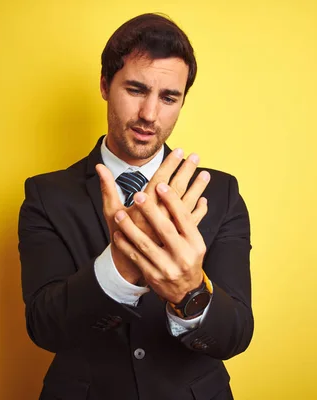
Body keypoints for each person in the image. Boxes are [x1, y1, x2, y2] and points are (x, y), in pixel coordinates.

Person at [18, 13, 253, 400]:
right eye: (136, 89)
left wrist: (189, 292)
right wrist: (121, 264)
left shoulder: (220, 193)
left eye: (168, 97)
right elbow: (45, 328)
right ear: (105, 85)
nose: (149, 114)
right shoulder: (46, 195)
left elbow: (236, 333)